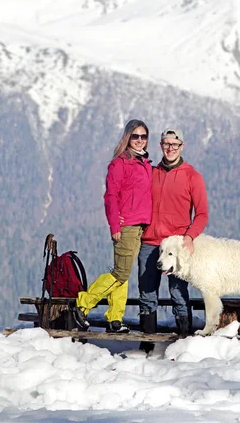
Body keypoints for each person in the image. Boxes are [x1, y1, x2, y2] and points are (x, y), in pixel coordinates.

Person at [73, 119, 152, 333]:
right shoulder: (120, 163)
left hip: (140, 226)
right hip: (126, 226)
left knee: (123, 273)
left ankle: (115, 319)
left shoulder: (144, 163)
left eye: (143, 136)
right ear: (127, 137)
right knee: (120, 273)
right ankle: (83, 304)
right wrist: (115, 225)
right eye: (135, 136)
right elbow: (110, 196)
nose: (139, 140)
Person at [138, 127, 208, 341]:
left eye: (174, 145)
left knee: (178, 293)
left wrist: (189, 237)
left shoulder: (192, 176)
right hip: (150, 242)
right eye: (166, 144)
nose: (170, 148)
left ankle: (184, 339)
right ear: (161, 146)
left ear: (181, 146)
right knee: (147, 293)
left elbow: (202, 214)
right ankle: (147, 343)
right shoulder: (151, 172)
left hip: (176, 245)